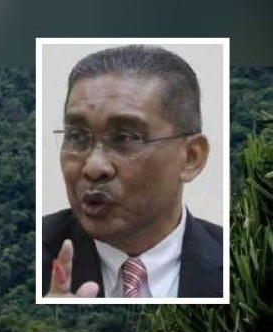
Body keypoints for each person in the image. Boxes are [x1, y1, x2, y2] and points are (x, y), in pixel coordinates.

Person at [43, 44, 222, 299]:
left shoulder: (241, 264)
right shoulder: (35, 253)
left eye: (125, 138)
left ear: (191, 157)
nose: (94, 167)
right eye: (76, 136)